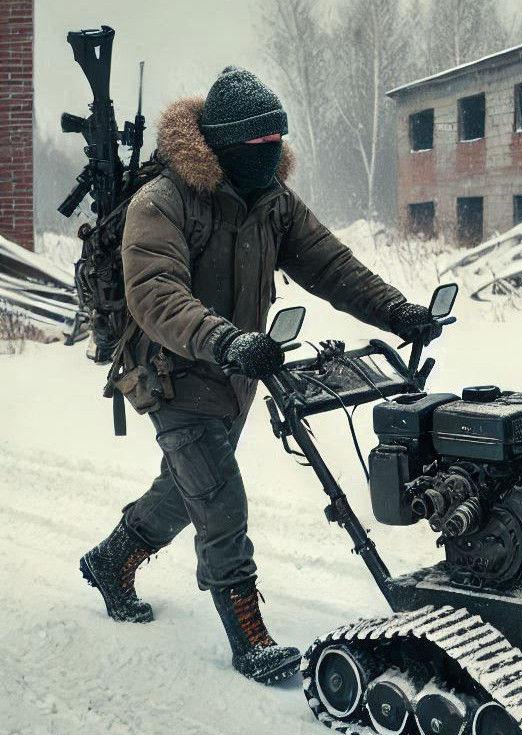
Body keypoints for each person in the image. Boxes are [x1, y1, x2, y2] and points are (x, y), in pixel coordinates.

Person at [79, 67, 434, 685]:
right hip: (172, 370)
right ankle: (248, 633)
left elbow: (331, 265)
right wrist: (224, 339)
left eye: (277, 147)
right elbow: (156, 294)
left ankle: (114, 559)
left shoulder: (272, 200)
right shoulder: (162, 201)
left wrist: (397, 311)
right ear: (221, 145)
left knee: (185, 488)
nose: (270, 160)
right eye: (257, 150)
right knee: (220, 501)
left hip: (239, 371)